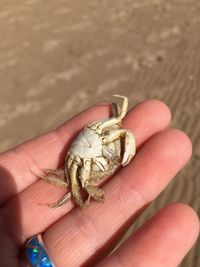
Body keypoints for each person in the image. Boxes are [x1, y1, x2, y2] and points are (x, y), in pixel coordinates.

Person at [0, 99, 199, 267]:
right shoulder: (77, 162)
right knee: (76, 184)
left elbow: (119, 124)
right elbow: (75, 185)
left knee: (124, 131)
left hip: (93, 136)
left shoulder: (96, 129)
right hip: (80, 156)